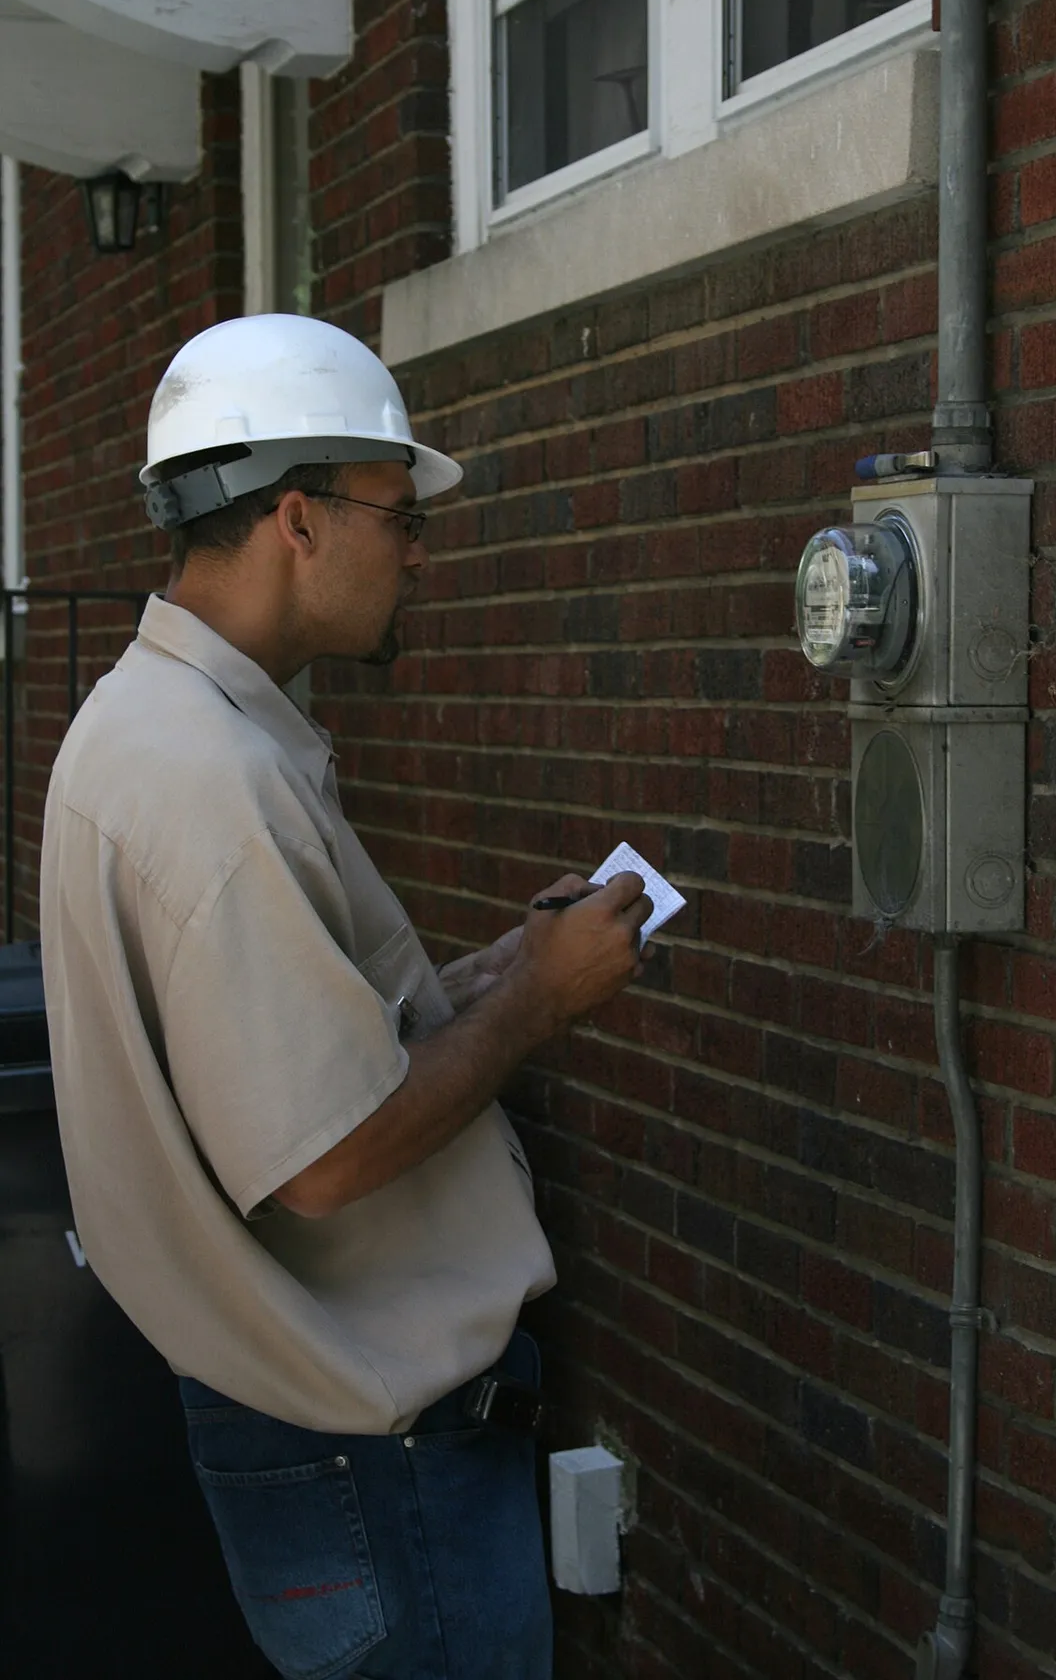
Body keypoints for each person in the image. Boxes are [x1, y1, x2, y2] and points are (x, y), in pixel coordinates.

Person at [39, 314, 652, 1680]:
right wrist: (536, 1010)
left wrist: (505, 968)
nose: (419, 551)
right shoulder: (210, 778)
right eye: (399, 514)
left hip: (335, 1448)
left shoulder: (159, 726)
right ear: (299, 520)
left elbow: (282, 1048)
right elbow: (323, 1155)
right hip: (382, 1468)